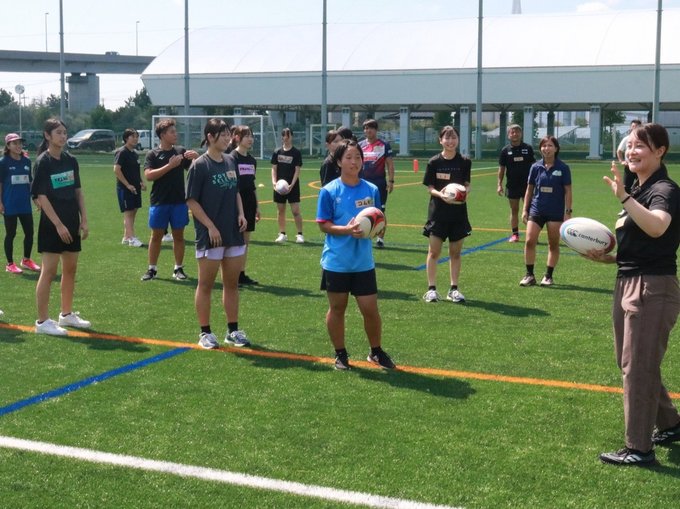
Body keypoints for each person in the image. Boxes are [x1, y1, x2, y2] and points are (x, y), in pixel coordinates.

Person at [585, 123, 680, 466]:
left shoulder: (664, 190)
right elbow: (639, 243)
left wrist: (623, 196)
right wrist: (610, 257)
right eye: (629, 145)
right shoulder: (639, 190)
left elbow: (657, 226)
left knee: (638, 367)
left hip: (652, 287)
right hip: (628, 280)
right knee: (631, 363)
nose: (632, 151)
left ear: (660, 151)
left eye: (641, 145)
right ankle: (670, 423)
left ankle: (639, 448)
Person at [316, 138, 395, 371]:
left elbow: (378, 218)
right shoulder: (329, 191)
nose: (354, 162)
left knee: (370, 309)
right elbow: (323, 225)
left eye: (358, 157)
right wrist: (347, 230)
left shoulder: (371, 189)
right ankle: (340, 354)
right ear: (339, 162)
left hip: (363, 262)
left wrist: (380, 227)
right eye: (349, 157)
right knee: (337, 308)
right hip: (337, 261)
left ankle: (376, 352)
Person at [186, 119, 250, 349]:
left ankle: (233, 331)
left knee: (231, 284)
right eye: (222, 135)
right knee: (206, 285)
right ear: (210, 137)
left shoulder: (230, 160)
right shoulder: (199, 166)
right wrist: (210, 226)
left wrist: (241, 214)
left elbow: (236, 191)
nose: (227, 139)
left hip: (233, 231)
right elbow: (191, 201)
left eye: (227, 135)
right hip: (211, 235)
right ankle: (205, 332)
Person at [31, 118, 91, 336]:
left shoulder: (71, 160)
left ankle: (66, 314)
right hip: (52, 224)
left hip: (71, 221)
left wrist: (84, 219)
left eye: (65, 132)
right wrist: (58, 225)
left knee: (70, 269)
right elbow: (41, 196)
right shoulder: (43, 162)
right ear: (47, 135)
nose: (63, 136)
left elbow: (78, 192)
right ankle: (42, 322)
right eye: (58, 132)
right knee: (49, 271)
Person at [141, 118, 198, 281]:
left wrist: (196, 157)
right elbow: (148, 175)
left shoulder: (180, 151)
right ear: (162, 135)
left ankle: (178, 268)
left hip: (179, 201)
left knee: (178, 236)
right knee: (156, 236)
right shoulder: (152, 154)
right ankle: (152, 269)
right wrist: (169, 166)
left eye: (175, 131)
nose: (176, 134)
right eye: (172, 132)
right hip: (159, 201)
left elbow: (195, 170)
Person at [422, 126, 471, 304]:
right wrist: (441, 195)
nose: (450, 141)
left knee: (455, 253)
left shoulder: (464, 161)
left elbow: (467, 184)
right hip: (438, 213)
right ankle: (431, 290)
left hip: (458, 213)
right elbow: (430, 188)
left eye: (454, 138)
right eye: (447, 138)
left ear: (458, 140)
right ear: (440, 140)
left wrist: (464, 193)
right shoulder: (434, 162)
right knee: (434, 252)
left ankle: (454, 289)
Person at [519, 135, 572, 287]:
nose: (546, 148)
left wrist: (568, 211)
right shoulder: (535, 167)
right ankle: (529, 275)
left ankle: (548, 276)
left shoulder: (563, 168)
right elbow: (529, 190)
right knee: (529, 241)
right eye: (544, 146)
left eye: (550, 145)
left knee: (553, 244)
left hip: (555, 211)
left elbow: (568, 191)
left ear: (556, 148)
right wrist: (525, 209)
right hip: (536, 209)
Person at [1, 133, 41, 274]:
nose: (18, 146)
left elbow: (29, 181)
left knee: (29, 232)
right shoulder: (3, 162)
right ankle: (10, 264)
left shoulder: (26, 161)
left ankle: (26, 260)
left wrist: (35, 198)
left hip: (24, 205)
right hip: (9, 204)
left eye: (20, 143)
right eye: (14, 143)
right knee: (11, 233)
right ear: (8, 146)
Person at [230, 125, 259, 286]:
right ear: (237, 138)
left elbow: (252, 185)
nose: (250, 139)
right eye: (247, 136)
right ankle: (231, 274)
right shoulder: (231, 158)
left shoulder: (252, 160)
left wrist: (257, 206)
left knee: (245, 242)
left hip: (249, 203)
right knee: (235, 241)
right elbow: (233, 186)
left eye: (251, 136)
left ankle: (241, 273)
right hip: (235, 203)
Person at [359, 119, 395, 248]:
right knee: (362, 209)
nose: (367, 130)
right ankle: (363, 234)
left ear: (376, 130)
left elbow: (390, 164)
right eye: (365, 128)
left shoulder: (384, 145)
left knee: (380, 210)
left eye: (370, 128)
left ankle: (380, 238)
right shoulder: (360, 145)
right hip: (363, 183)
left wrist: (391, 181)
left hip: (379, 183)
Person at [497, 124, 536, 242]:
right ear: (508, 135)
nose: (515, 134)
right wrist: (499, 184)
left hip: (527, 186)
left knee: (530, 210)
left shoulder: (528, 148)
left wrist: (536, 182)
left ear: (521, 134)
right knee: (514, 210)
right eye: (512, 132)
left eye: (517, 132)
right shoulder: (505, 150)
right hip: (512, 185)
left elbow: (534, 166)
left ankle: (532, 235)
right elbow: (502, 169)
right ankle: (515, 235)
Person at [113, 128, 146, 248]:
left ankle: (126, 236)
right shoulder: (122, 152)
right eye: (133, 137)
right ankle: (132, 238)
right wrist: (127, 185)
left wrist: (141, 182)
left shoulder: (134, 154)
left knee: (134, 211)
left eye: (137, 137)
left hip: (135, 188)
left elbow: (136, 171)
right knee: (128, 213)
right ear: (126, 138)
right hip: (125, 188)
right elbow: (116, 170)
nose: (135, 139)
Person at [271, 128, 304, 244]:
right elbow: (274, 168)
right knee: (280, 210)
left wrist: (292, 185)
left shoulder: (296, 153)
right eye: (283, 135)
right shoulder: (277, 152)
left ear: (292, 137)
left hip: (292, 186)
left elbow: (297, 170)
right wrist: (274, 182)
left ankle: (300, 234)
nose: (285, 138)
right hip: (279, 187)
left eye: (288, 135)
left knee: (295, 211)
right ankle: (282, 234)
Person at [616, 119, 643, 194]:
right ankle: (627, 201)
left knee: (642, 187)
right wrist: (622, 161)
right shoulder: (627, 139)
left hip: (640, 166)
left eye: (637, 126)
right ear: (630, 127)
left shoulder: (644, 139)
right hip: (629, 166)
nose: (635, 128)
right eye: (633, 126)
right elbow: (619, 151)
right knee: (626, 188)